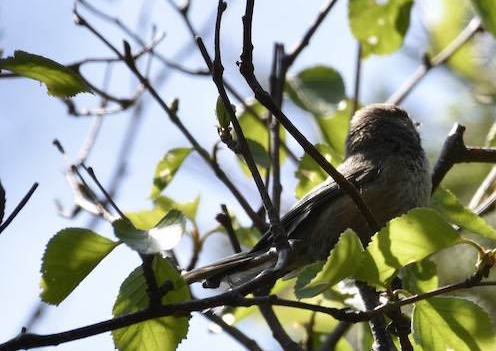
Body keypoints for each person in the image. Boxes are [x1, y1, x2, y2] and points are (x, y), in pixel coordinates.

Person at [182, 103, 431, 288]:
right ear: (398, 130)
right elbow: (315, 200)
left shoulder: (395, 162)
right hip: (317, 232)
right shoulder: (388, 161)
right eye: (410, 123)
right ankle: (194, 277)